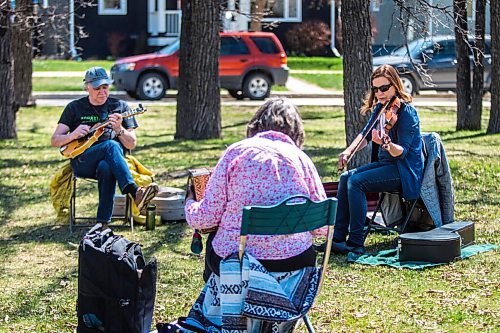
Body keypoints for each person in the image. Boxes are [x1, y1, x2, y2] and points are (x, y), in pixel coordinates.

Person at [184, 97, 327, 282]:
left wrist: (190, 202)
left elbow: (205, 218)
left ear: (256, 123)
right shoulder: (302, 159)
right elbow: (322, 226)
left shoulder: (235, 153)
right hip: (295, 258)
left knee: (215, 238)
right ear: (297, 129)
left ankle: (218, 302)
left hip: (237, 260)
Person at [50, 67, 158, 227]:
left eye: (105, 87)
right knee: (110, 146)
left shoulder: (120, 106)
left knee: (107, 165)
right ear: (87, 87)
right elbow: (55, 140)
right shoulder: (74, 107)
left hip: (113, 163)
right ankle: (135, 192)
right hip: (83, 161)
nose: (102, 92)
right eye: (97, 88)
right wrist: (73, 135)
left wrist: (119, 129)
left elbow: (131, 144)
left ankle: (102, 224)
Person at [333, 64, 424, 254]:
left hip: (403, 170)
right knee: (345, 178)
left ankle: (356, 243)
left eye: (384, 88)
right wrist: (348, 151)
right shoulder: (381, 109)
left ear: (395, 85)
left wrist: (387, 144)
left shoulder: (407, 113)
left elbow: (402, 152)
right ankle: (338, 238)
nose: (380, 93)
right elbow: (365, 135)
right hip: (386, 165)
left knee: (356, 182)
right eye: (376, 89)